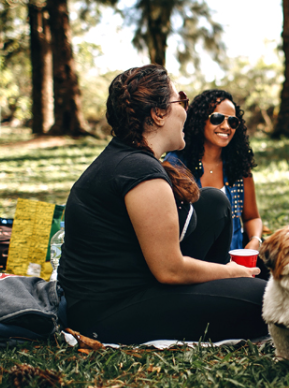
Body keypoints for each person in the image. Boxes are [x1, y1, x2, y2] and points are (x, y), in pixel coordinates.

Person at [58, 65, 268, 344]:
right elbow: (170, 270)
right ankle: (231, 289)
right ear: (158, 114)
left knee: (214, 202)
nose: (186, 110)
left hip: (138, 281)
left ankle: (226, 289)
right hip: (108, 310)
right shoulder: (139, 171)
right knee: (267, 300)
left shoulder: (131, 157)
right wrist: (232, 271)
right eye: (180, 100)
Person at [164, 90, 263, 253]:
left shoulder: (238, 165)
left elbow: (252, 217)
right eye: (217, 118)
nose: (226, 126)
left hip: (236, 259)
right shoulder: (176, 165)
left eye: (232, 122)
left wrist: (255, 240)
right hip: (194, 261)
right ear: (200, 120)